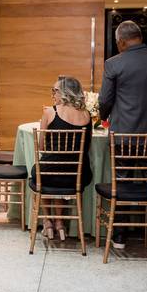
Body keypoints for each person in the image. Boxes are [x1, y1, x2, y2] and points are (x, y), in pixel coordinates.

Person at [99, 20, 147, 253]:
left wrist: (103, 116)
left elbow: (105, 100)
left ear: (121, 42)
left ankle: (120, 234)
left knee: (122, 181)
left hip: (123, 134)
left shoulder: (113, 63)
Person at [34, 75, 93, 241]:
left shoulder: (50, 112)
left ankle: (47, 221)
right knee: (60, 170)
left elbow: (41, 147)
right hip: (77, 176)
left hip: (50, 174)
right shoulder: (87, 115)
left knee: (44, 171)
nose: (53, 94)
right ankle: (59, 222)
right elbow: (87, 147)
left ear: (65, 92)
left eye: (55, 90)